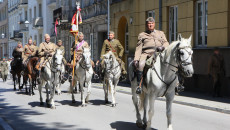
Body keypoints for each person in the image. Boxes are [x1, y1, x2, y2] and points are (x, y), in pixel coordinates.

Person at [133, 17, 169, 93]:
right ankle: (139, 85)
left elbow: (166, 43)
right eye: (149, 24)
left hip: (159, 53)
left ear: (154, 24)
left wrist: (162, 47)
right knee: (141, 65)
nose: (150, 25)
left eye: (152, 23)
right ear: (146, 25)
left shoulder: (160, 33)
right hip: (146, 53)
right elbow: (139, 48)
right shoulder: (142, 35)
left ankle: (175, 84)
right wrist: (136, 59)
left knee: (170, 62)